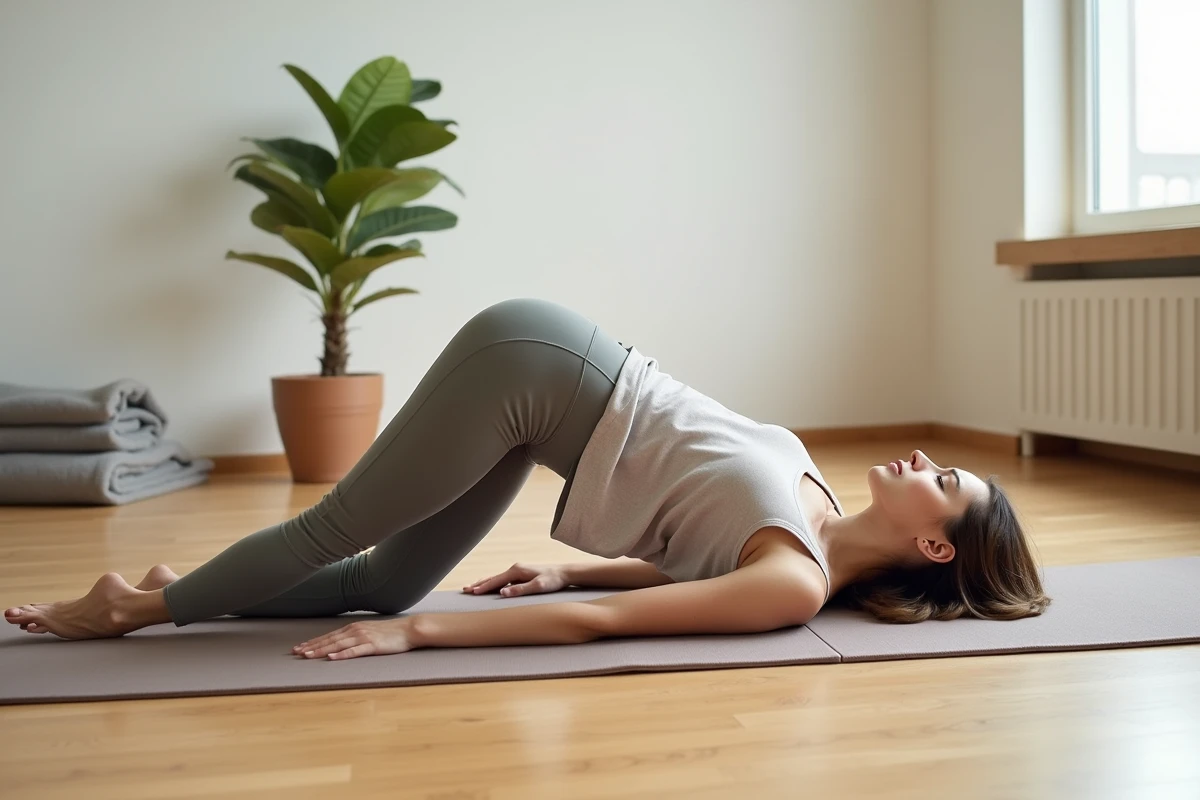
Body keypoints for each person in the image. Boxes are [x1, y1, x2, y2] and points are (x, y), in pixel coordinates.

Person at [4, 298, 1050, 659]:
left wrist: (428, 624)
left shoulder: (795, 585)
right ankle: (130, 614)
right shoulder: (814, 514)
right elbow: (688, 571)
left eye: (944, 477)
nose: (925, 457)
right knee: (335, 528)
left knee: (384, 586)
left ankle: (149, 590)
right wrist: (564, 585)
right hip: (543, 366)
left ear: (936, 545)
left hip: (543, 407)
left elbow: (660, 600)